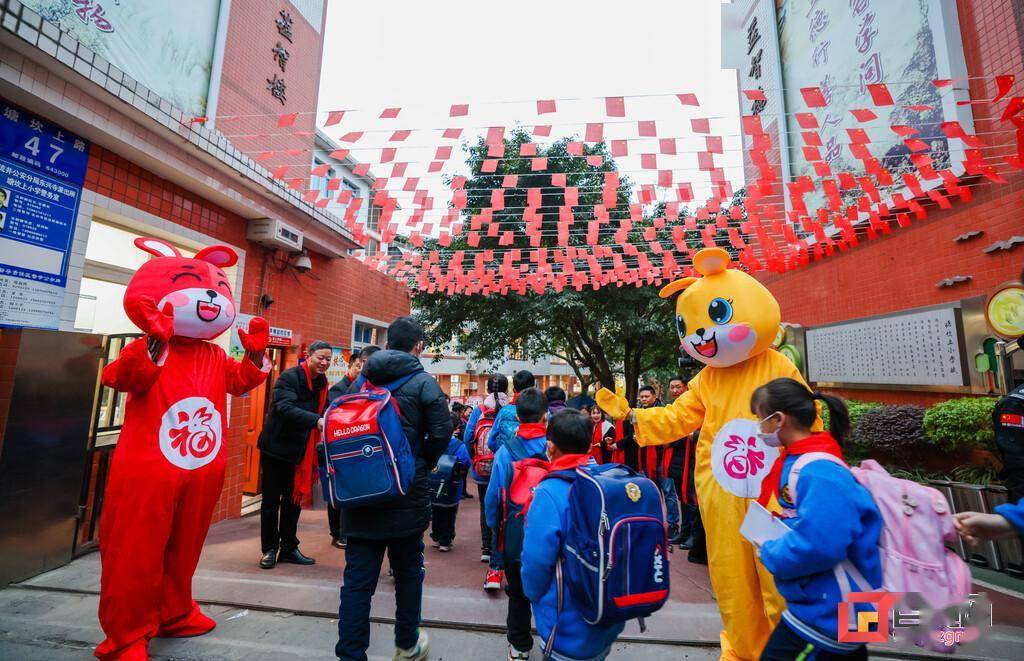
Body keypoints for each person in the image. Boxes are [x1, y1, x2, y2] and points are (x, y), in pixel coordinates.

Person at [335, 316, 452, 661]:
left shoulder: (361, 381)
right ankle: (406, 645)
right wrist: (420, 461)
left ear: (387, 344)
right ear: (418, 346)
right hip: (405, 491)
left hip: (360, 491)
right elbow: (442, 432)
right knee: (408, 573)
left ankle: (351, 654)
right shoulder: (423, 382)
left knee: (357, 581)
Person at [751, 378, 882, 661]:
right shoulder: (806, 462)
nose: (759, 427)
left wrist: (771, 551)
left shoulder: (818, 470)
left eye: (761, 419)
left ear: (779, 420)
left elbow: (822, 543)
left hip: (828, 619)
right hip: (822, 611)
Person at [522, 408, 625, 661]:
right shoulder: (610, 482)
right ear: (590, 443)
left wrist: (533, 597)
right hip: (607, 617)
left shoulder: (549, 491)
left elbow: (535, 564)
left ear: (550, 446)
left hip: (565, 627)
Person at [484, 387, 549, 660]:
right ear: (545, 417)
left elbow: (492, 500)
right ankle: (552, 640)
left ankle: (519, 647)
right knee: (550, 592)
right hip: (550, 536)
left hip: (515, 535)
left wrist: (494, 528)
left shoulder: (505, 452)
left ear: (518, 416)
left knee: (518, 595)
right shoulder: (555, 446)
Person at [257, 340, 332, 569]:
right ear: (308, 355)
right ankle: (269, 549)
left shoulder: (322, 383)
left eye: (328, 359)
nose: (324, 362)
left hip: (300, 452)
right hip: (276, 450)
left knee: (293, 503)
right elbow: (284, 408)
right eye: (321, 357)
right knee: (271, 502)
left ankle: (289, 548)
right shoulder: (289, 378)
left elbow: (327, 409)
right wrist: (316, 421)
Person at [326, 345, 381, 549]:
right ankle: (337, 533)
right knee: (340, 493)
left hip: (360, 450)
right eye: (358, 366)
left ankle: (346, 531)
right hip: (342, 448)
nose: (360, 370)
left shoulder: (371, 388)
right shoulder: (340, 390)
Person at [464, 373, 509, 573]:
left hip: (483, 469)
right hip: (507, 468)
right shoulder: (510, 411)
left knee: (485, 505)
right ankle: (503, 547)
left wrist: (474, 458)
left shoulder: (479, 410)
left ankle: (486, 548)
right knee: (507, 506)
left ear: (488, 388)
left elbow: (468, 437)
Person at [635, 385, 683, 542]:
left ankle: (673, 525)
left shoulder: (663, 411)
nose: (644, 399)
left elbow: (671, 433)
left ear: (654, 397)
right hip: (645, 459)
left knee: (668, 493)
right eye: (642, 397)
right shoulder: (639, 413)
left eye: (646, 396)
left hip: (662, 458)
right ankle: (654, 523)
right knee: (651, 493)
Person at [429, 435, 471, 551]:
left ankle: (436, 536)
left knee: (436, 510)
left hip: (434, 481)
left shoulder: (434, 440)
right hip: (452, 484)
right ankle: (445, 540)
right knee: (450, 513)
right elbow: (466, 461)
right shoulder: (459, 445)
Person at [488, 369, 536, 452]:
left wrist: (502, 453)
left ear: (514, 390)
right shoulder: (542, 410)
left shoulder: (504, 411)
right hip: (533, 461)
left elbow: (491, 442)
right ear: (534, 388)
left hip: (507, 459)